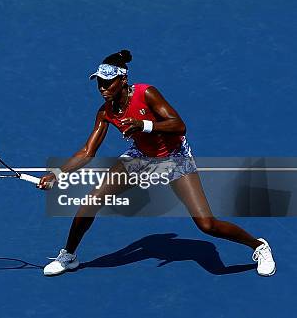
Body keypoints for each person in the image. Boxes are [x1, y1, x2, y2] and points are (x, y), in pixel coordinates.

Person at [39, 50, 276, 277]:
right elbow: (87, 151)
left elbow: (179, 125)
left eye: (108, 82)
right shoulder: (105, 112)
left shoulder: (147, 93)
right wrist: (58, 173)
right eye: (99, 82)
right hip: (140, 156)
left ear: (123, 79)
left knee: (207, 224)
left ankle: (259, 246)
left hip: (174, 159)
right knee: (91, 201)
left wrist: (144, 125)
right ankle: (68, 255)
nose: (102, 88)